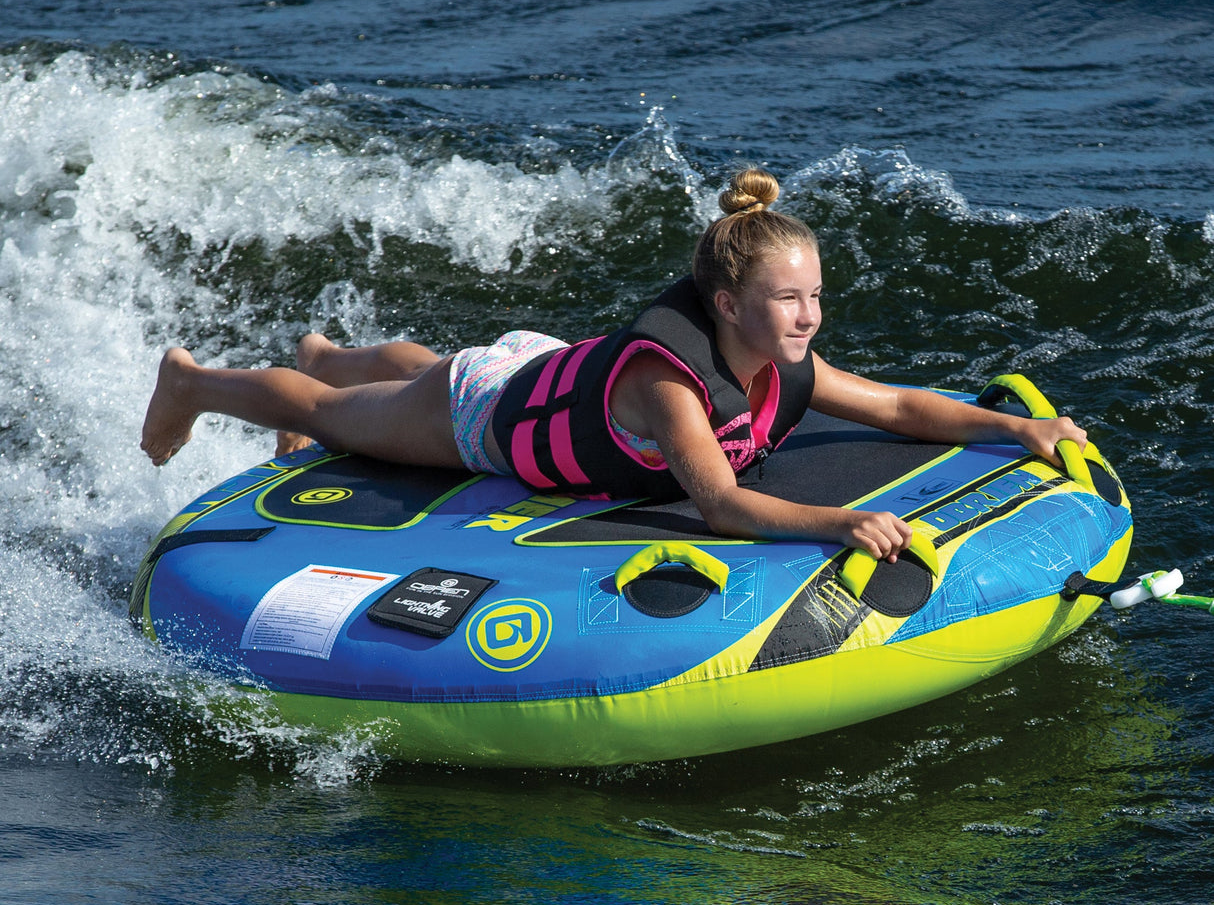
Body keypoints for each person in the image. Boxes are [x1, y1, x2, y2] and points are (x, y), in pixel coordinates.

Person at [141, 168, 1085, 562]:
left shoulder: (783, 358)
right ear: (726, 307)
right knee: (328, 413)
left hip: (539, 370)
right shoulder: (672, 386)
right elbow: (721, 505)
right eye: (788, 301)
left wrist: (1018, 427)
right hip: (486, 418)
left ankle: (334, 353)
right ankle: (196, 382)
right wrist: (841, 520)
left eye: (815, 297)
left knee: (420, 371)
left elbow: (901, 410)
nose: (809, 317)